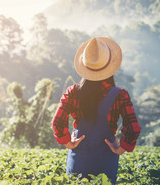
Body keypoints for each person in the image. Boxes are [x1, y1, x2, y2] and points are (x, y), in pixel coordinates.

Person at [51, 37, 141, 184]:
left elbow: (57, 122)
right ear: (110, 66)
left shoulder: (72, 91)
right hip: (105, 159)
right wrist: (122, 148)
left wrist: (68, 142)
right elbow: (134, 128)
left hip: (78, 158)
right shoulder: (120, 95)